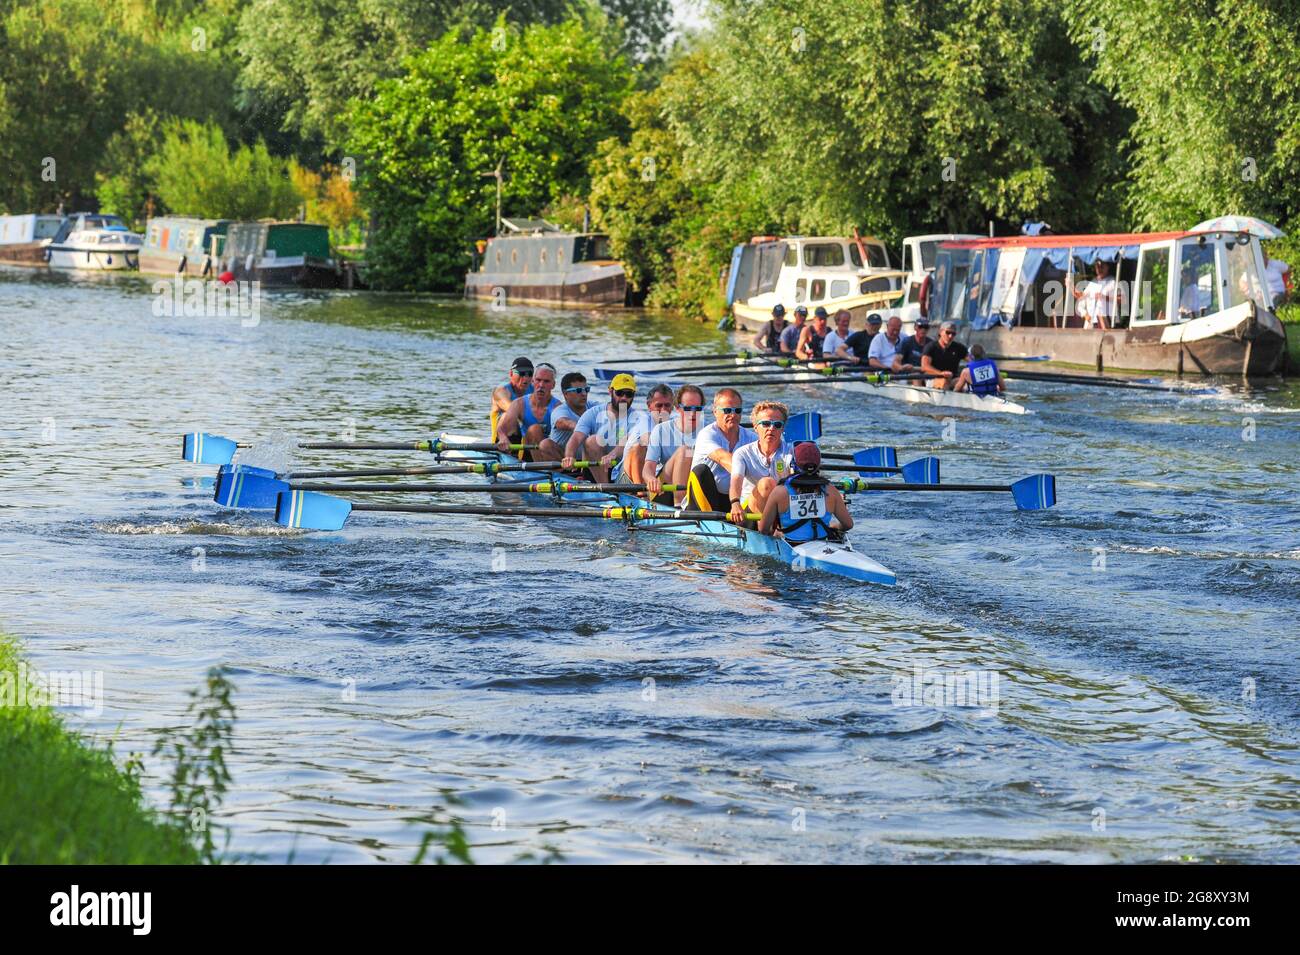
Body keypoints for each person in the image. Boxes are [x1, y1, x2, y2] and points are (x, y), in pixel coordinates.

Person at [562, 373, 648, 484]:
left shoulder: (638, 418)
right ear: (610, 391)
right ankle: (606, 488)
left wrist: (612, 455)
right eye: (620, 393)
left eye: (629, 394)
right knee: (592, 440)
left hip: (622, 470)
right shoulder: (593, 413)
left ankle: (616, 491)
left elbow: (626, 440)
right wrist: (569, 456)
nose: (624, 398)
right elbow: (576, 438)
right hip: (595, 470)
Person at [759, 442, 853, 542]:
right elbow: (848, 524)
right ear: (818, 465)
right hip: (823, 543)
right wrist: (835, 527)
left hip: (791, 545)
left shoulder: (780, 492)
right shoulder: (831, 490)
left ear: (793, 463)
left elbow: (763, 529)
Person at [685, 388, 755, 513]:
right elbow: (723, 459)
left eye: (737, 411)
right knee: (701, 471)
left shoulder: (751, 438)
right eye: (727, 411)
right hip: (705, 500)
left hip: (736, 500)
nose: (733, 415)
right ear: (715, 412)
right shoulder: (707, 434)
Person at [727, 400, 794, 525]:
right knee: (766, 484)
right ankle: (769, 531)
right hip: (749, 514)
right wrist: (735, 503)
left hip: (782, 510)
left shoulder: (791, 452)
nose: (771, 428)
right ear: (755, 426)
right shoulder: (742, 453)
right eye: (766, 424)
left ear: (783, 428)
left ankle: (778, 527)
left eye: (777, 425)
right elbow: (736, 480)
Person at [642, 385, 707, 505]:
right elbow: (648, 467)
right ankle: (679, 506)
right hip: (663, 491)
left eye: (697, 408)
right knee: (684, 452)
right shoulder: (661, 430)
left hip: (694, 486)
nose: (693, 413)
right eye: (687, 408)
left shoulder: (708, 430)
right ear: (677, 408)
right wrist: (650, 479)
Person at [495, 363, 560, 455]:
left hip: (547, 452)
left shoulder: (557, 407)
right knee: (534, 429)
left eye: (546, 381)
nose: (541, 385)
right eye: (538, 380)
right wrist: (502, 437)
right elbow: (503, 427)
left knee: (537, 431)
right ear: (532, 382)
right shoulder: (519, 404)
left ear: (553, 385)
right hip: (526, 450)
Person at [621, 383, 675, 492]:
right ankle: (641, 494)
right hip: (626, 479)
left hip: (653, 477)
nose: (663, 410)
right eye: (659, 406)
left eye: (667, 405)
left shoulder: (674, 424)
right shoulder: (645, 420)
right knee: (639, 447)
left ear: (673, 406)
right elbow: (647, 441)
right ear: (649, 406)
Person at [541, 372, 591, 459]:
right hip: (562, 459)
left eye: (586, 389)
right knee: (545, 444)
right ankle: (558, 472)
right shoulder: (559, 411)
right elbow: (565, 423)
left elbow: (613, 410)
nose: (584, 394)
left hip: (586, 460)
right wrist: (583, 428)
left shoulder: (594, 407)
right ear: (565, 394)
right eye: (578, 390)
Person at [490, 357, 534, 442]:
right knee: (509, 415)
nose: (525, 378)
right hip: (503, 440)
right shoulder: (501, 391)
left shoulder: (535, 390)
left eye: (529, 374)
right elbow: (512, 409)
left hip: (526, 439)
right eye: (521, 373)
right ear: (511, 374)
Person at [920, 321, 969, 389]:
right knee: (944, 381)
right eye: (948, 332)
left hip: (952, 379)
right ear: (940, 332)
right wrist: (941, 373)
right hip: (934, 378)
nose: (950, 336)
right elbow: (924, 366)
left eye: (953, 334)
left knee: (966, 382)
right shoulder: (931, 347)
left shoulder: (959, 348)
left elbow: (972, 361)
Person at [1075, 259, 1121, 329]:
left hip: (1108, 322)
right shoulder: (1092, 283)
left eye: (1102, 266)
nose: (1099, 269)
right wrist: (1071, 286)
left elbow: (1122, 300)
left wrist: (1105, 297)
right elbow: (1080, 297)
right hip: (1092, 323)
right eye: (1097, 267)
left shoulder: (1113, 282)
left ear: (1107, 267)